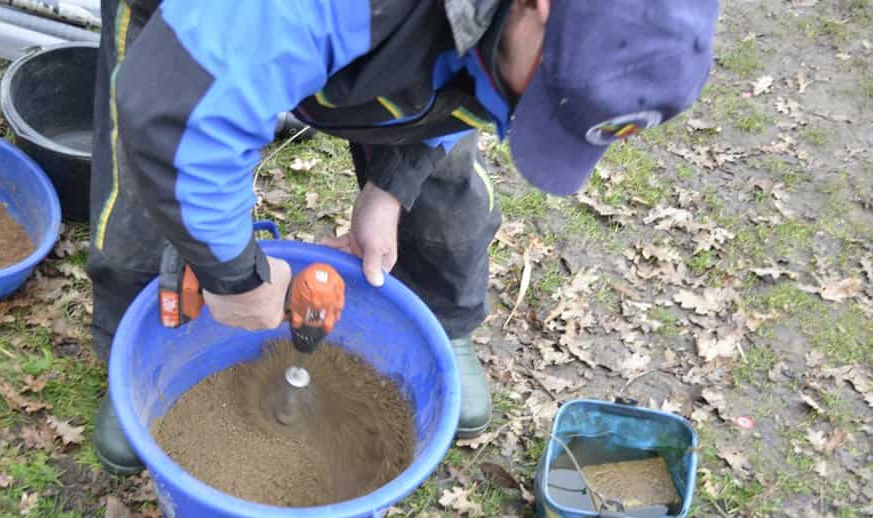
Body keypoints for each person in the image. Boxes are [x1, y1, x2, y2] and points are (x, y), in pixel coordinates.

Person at [87, 0, 721, 474]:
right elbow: (173, 119)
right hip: (190, 28)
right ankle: (136, 350)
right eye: (546, 95)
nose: (527, 120)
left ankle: (444, 320)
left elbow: (478, 94)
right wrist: (233, 275)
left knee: (445, 192)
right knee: (145, 202)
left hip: (435, 31)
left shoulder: (517, 39)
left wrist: (392, 184)